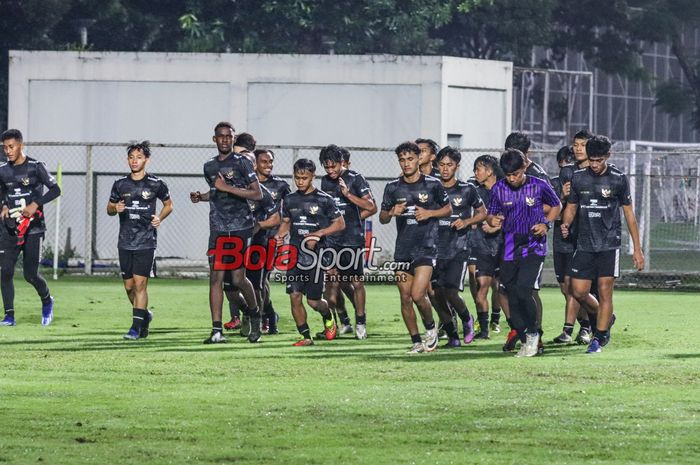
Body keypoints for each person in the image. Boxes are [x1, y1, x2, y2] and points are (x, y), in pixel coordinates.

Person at [561, 135, 644, 353]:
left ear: (608, 156)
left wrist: (637, 248)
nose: (595, 165)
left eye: (599, 160)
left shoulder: (618, 178)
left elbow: (629, 214)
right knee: (577, 291)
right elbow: (571, 206)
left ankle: (599, 337)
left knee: (605, 290)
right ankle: (607, 318)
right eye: (592, 160)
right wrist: (566, 223)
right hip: (584, 242)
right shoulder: (579, 178)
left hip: (609, 243)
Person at [190, 122, 263, 344]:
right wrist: (200, 197)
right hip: (218, 228)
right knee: (216, 278)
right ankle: (216, 330)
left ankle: (255, 315)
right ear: (214, 139)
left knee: (239, 279)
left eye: (228, 136)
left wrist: (227, 188)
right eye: (220, 136)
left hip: (240, 227)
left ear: (233, 139)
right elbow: (216, 192)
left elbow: (257, 194)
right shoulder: (209, 166)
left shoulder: (242, 163)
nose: (224, 140)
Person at [487, 149, 561, 357]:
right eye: (508, 175)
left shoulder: (539, 185)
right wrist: (492, 221)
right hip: (510, 245)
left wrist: (546, 224)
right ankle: (525, 335)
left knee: (524, 289)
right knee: (509, 292)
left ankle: (534, 333)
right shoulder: (499, 189)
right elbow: (491, 215)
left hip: (533, 244)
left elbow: (557, 206)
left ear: (524, 168)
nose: (512, 179)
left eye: (516, 174)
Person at [379, 141, 451, 353]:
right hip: (403, 250)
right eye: (402, 160)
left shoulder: (433, 185)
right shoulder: (392, 187)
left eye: (410, 159)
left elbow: (447, 209)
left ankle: (430, 330)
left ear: (418, 159)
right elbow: (382, 217)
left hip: (426, 248)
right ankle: (416, 341)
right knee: (405, 297)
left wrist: (429, 213)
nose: (406, 163)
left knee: (419, 294)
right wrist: (392, 211)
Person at [274, 159, 345, 346]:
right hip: (295, 255)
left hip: (316, 256)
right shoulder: (289, 199)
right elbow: (287, 222)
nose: (300, 182)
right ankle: (306, 336)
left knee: (313, 301)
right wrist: (280, 236)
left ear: (313, 176)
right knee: (294, 295)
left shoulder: (324, 199)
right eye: (297, 178)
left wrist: (319, 233)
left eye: (304, 178)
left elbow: (340, 223)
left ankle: (328, 316)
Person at [107, 141, 173, 339]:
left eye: (138, 157)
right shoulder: (120, 184)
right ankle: (144, 316)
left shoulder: (156, 184)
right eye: (131, 157)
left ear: (146, 160)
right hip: (125, 241)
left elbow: (169, 205)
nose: (134, 161)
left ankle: (135, 328)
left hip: (146, 241)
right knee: (129, 287)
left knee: (140, 285)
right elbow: (109, 209)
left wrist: (159, 218)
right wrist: (115, 209)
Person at [0, 129, 60, 327]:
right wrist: (4, 205)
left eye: (11, 146)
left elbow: (56, 189)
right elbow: (2, 191)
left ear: (21, 145)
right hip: (10, 229)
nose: (8, 151)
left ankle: (47, 300)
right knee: (5, 271)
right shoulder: (2, 169)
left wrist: (36, 204)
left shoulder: (35, 167)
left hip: (33, 228)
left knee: (30, 275)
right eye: (4, 147)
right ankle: (9, 315)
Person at [319, 145, 376, 339]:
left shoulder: (355, 179)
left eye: (333, 166)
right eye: (327, 167)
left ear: (342, 162)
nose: (330, 171)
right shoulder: (325, 182)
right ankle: (338, 323)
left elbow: (371, 207)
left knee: (356, 282)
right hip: (332, 240)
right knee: (332, 281)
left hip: (352, 239)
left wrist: (348, 197)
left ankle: (361, 323)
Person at [223, 151, 280, 339]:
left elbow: (278, 217)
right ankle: (249, 311)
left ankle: (260, 320)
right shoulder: (232, 187)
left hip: (259, 244)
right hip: (234, 243)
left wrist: (259, 226)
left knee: (258, 286)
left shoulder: (267, 189)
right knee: (230, 291)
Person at [432, 146, 485, 347]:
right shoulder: (431, 188)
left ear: (457, 166)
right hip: (434, 248)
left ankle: (467, 319)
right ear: (437, 166)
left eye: (450, 165)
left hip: (458, 247)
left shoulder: (467, 189)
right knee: (437, 294)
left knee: (451, 291)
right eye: (442, 165)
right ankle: (453, 335)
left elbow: (483, 213)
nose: (445, 169)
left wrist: (466, 222)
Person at [239, 148, 291, 335]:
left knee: (260, 281)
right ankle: (267, 315)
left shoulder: (280, 186)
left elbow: (289, 216)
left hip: (268, 241)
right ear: (255, 164)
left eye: (270, 161)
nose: (268, 165)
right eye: (264, 162)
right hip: (243, 240)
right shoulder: (244, 185)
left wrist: (280, 236)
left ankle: (259, 320)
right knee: (243, 282)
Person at [470, 155, 508, 342]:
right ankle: (484, 329)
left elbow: (513, 215)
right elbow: (477, 214)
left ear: (490, 171)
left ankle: (506, 323)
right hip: (482, 246)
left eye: (479, 168)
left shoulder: (505, 190)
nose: (475, 172)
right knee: (481, 286)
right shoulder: (475, 192)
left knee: (502, 288)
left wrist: (496, 226)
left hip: (503, 245)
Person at [551, 145, 581, 344]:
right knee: (565, 289)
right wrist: (562, 195)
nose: (567, 172)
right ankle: (585, 324)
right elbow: (552, 215)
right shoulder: (553, 184)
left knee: (575, 289)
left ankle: (572, 330)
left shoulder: (584, 181)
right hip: (559, 243)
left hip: (577, 243)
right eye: (564, 167)